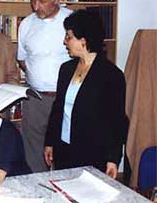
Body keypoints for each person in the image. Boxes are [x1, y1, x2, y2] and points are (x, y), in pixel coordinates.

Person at [44, 10, 127, 179]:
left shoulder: (111, 75)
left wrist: (113, 159)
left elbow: (116, 121)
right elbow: (58, 108)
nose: (64, 42)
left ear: (83, 41)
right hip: (63, 149)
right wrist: (50, 142)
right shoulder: (66, 69)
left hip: (93, 154)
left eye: (68, 37)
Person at [17, 0, 72, 172]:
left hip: (66, 98)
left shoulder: (72, 20)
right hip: (36, 99)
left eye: (42, 1)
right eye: (32, 1)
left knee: (64, 150)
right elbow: (22, 59)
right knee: (33, 151)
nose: (36, 6)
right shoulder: (26, 24)